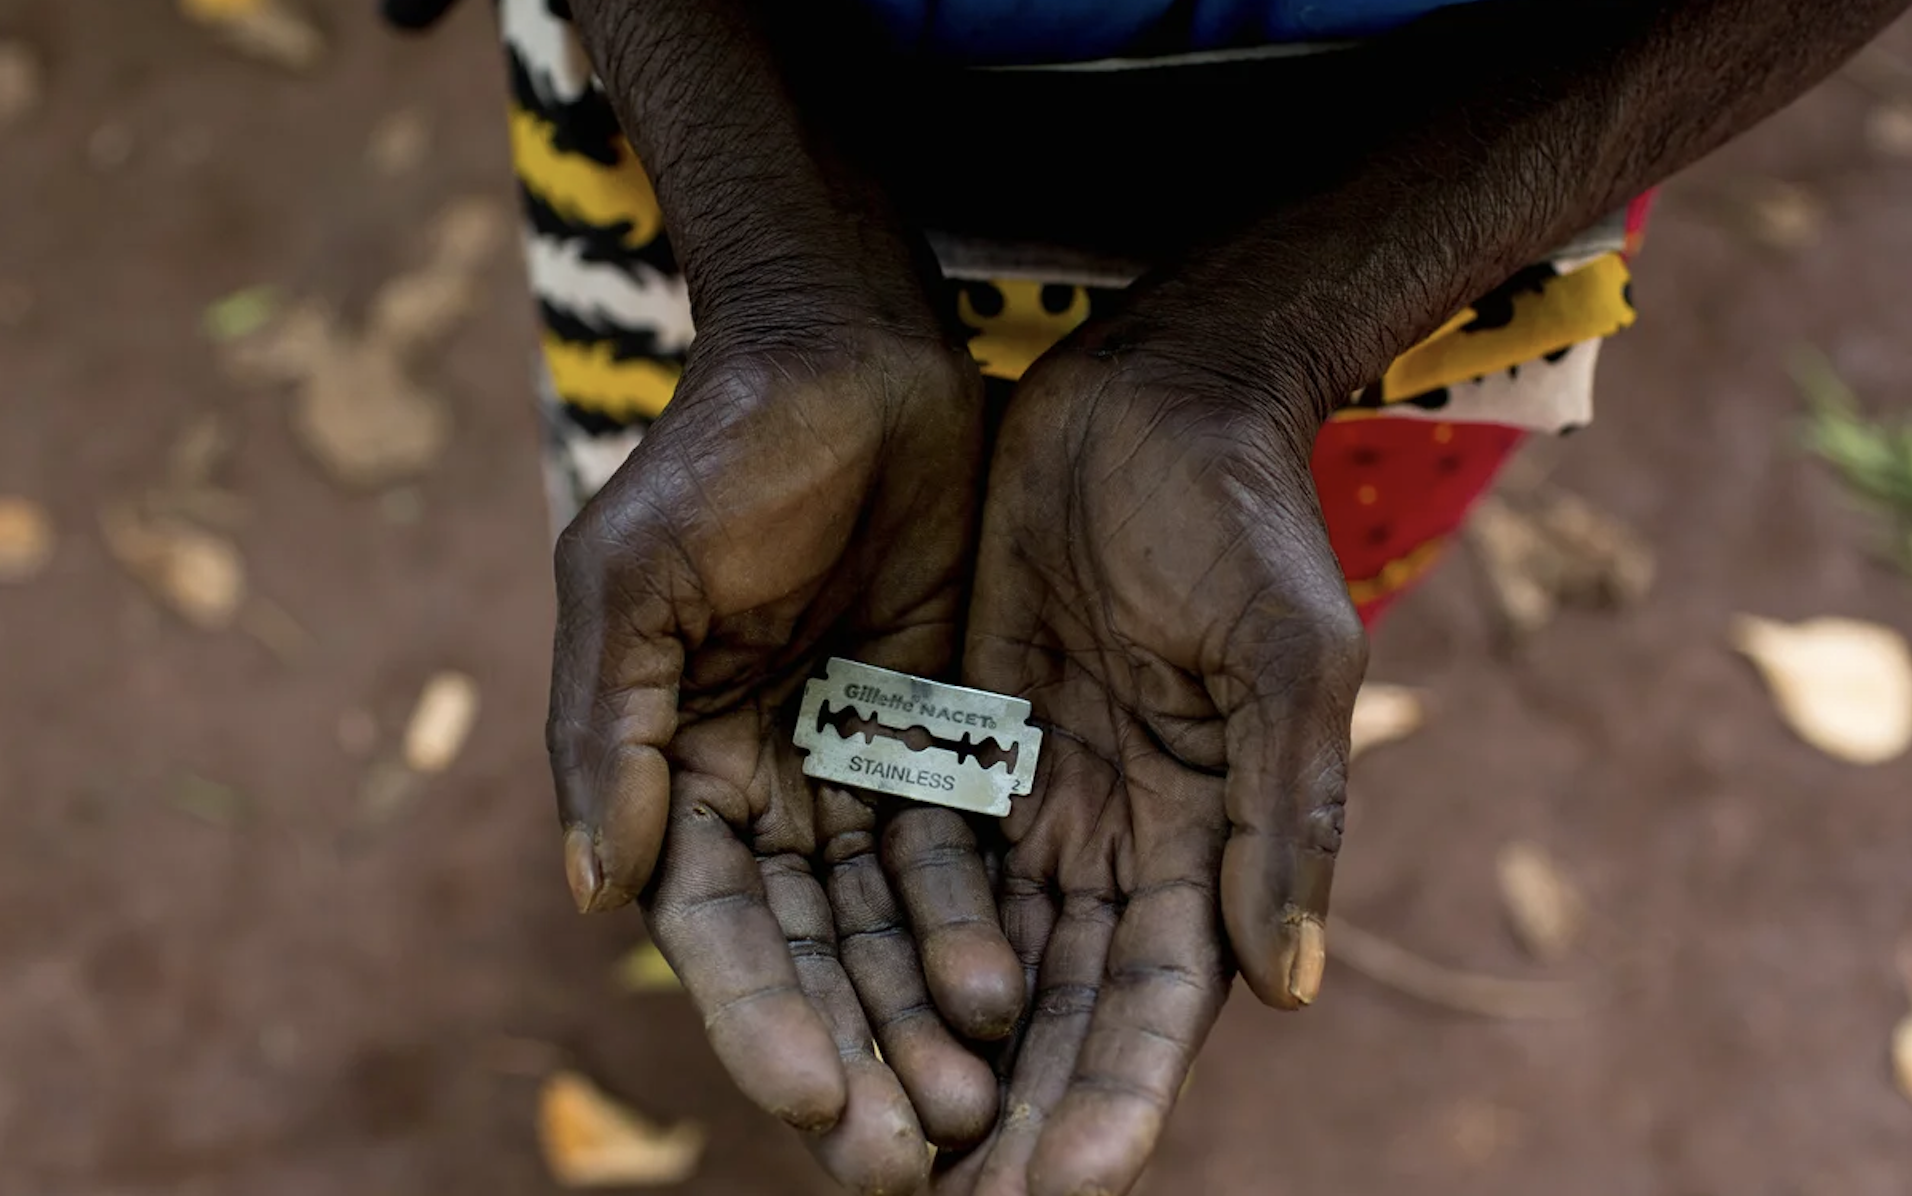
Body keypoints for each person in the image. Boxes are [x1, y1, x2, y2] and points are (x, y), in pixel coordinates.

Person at [382, 2, 1909, 1193]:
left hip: (1435, 223)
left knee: (1255, 615)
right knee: (708, 530)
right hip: (720, 152)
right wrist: (779, 271)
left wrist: (1269, 343)